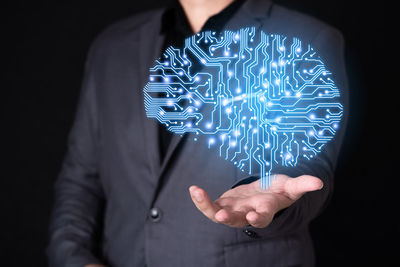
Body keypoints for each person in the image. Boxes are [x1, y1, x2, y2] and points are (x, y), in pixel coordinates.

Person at [47, 0, 348, 266]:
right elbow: (80, 179)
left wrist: (277, 204)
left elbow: (309, 173)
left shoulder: (306, 38)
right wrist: (76, 259)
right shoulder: (112, 46)